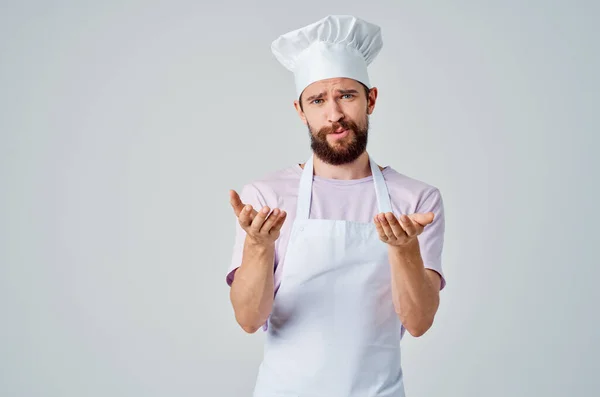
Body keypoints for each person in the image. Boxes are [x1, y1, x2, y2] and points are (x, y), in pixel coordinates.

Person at [226, 15, 446, 397]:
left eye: (346, 95)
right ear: (300, 110)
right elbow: (248, 319)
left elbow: (418, 322)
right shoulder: (265, 198)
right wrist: (258, 248)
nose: (334, 115)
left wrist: (404, 250)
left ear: (370, 100)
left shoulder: (416, 201)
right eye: (317, 100)